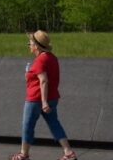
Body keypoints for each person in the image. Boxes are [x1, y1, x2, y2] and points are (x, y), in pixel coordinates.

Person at [9, 31, 77, 160]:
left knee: (27, 125)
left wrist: (44, 101)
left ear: (37, 46)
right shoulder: (52, 57)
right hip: (52, 98)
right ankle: (69, 153)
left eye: (30, 42)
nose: (28, 44)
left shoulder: (40, 60)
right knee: (54, 123)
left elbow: (44, 80)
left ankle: (24, 154)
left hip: (36, 99)